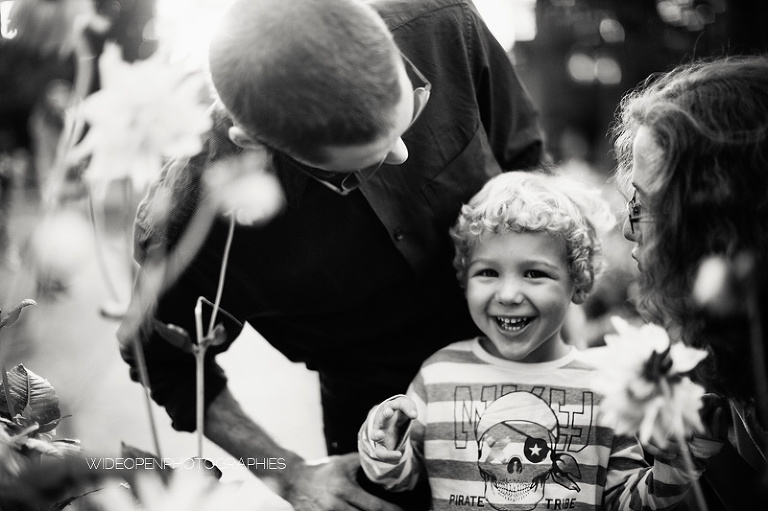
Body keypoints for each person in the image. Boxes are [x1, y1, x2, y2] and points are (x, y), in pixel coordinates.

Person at [117, 0, 546, 509]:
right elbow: (163, 363)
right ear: (253, 141)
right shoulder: (193, 218)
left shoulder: (441, 22)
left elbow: (527, 164)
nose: (401, 155)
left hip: (531, 360)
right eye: (357, 167)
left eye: (410, 115)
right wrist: (289, 474)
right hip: (375, 428)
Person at [358, 170, 722, 510]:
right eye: (487, 272)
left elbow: (627, 502)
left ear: (578, 283)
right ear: (464, 279)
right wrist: (385, 443)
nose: (509, 293)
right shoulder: (438, 375)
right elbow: (399, 479)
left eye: (534, 273)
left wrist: (678, 462)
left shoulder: (606, 389)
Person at [612, 55, 768, 506]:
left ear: (717, 220)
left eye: (644, 204)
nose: (627, 228)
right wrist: (703, 454)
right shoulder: (724, 349)